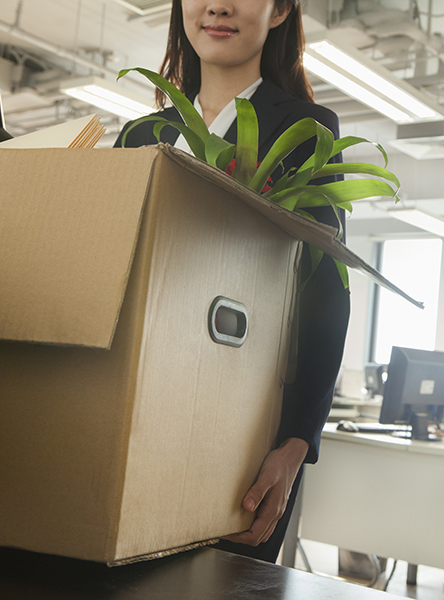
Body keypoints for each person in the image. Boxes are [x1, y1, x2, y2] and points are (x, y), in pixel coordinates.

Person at [114, 0, 350, 563]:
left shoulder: (306, 131)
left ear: (279, 10)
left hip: (245, 426)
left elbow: (327, 289)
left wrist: (296, 440)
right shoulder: (142, 134)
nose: (217, 4)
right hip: (136, 411)